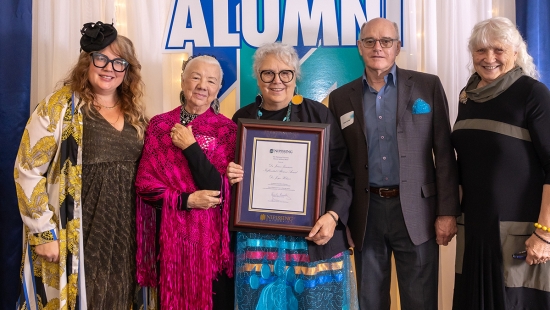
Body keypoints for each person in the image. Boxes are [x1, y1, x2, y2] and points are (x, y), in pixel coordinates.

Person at [327, 17, 461, 309]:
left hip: (419, 213)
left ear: (398, 47)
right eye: (370, 41)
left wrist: (447, 212)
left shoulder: (428, 86)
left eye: (386, 41)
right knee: (370, 301)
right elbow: (340, 166)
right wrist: (341, 217)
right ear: (360, 47)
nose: (378, 47)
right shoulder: (340, 98)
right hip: (367, 214)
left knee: (421, 300)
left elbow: (445, 155)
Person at [14, 21, 147, 309]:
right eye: (101, 58)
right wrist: (43, 233)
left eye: (118, 62)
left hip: (125, 238)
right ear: (87, 61)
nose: (109, 67)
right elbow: (27, 170)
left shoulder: (136, 115)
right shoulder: (58, 107)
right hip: (78, 237)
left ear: (128, 70)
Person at [226, 42, 358, 310]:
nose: (277, 81)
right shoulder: (241, 119)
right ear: (257, 77)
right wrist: (229, 174)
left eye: (285, 73)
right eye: (268, 73)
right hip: (258, 243)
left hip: (313, 238)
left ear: (295, 76)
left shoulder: (319, 115)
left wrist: (332, 216)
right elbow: (228, 179)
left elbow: (343, 174)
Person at [451, 17, 550, 309]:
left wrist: (544, 234)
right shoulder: (467, 97)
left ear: (515, 53)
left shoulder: (533, 94)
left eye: (498, 49)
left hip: (520, 234)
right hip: (475, 230)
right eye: (481, 50)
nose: (489, 57)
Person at [135, 55, 236, 309]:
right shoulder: (160, 125)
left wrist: (190, 146)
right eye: (196, 77)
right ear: (182, 81)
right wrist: (187, 200)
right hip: (171, 243)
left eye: (211, 81)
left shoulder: (227, 131)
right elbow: (145, 185)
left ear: (218, 90)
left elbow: (218, 190)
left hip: (212, 248)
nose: (203, 85)